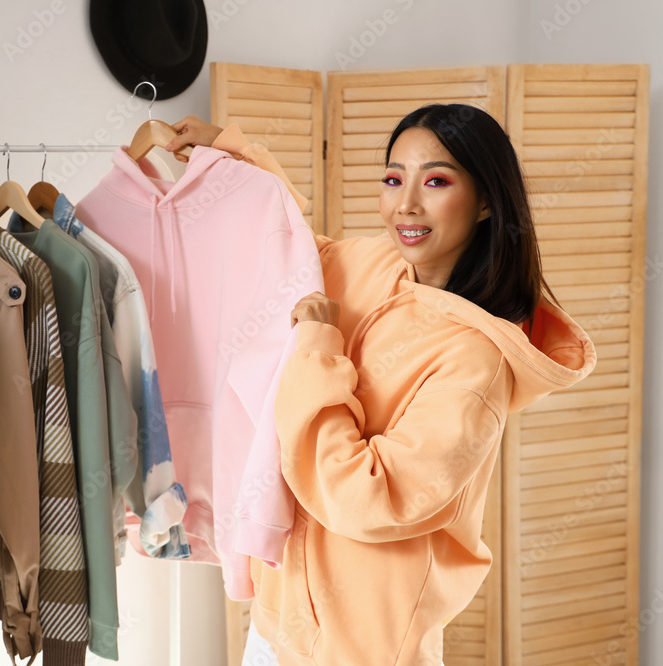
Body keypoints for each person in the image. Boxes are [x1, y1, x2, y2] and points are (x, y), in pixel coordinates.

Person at [167, 106, 596, 665]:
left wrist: (319, 350)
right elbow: (295, 250)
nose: (406, 205)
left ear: (488, 201)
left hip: (364, 650)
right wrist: (235, 157)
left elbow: (364, 497)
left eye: (436, 181)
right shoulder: (376, 264)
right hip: (277, 627)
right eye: (393, 179)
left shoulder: (473, 361)